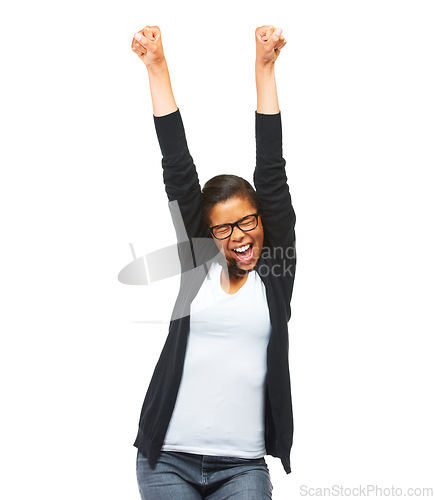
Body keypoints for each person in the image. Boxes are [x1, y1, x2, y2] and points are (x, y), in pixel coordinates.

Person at [130, 24, 296, 499]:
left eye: (247, 222)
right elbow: (178, 169)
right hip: (167, 460)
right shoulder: (198, 264)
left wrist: (265, 69)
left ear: (262, 220)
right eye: (223, 228)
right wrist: (156, 67)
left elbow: (272, 170)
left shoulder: (276, 271)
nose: (239, 237)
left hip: (243, 467)